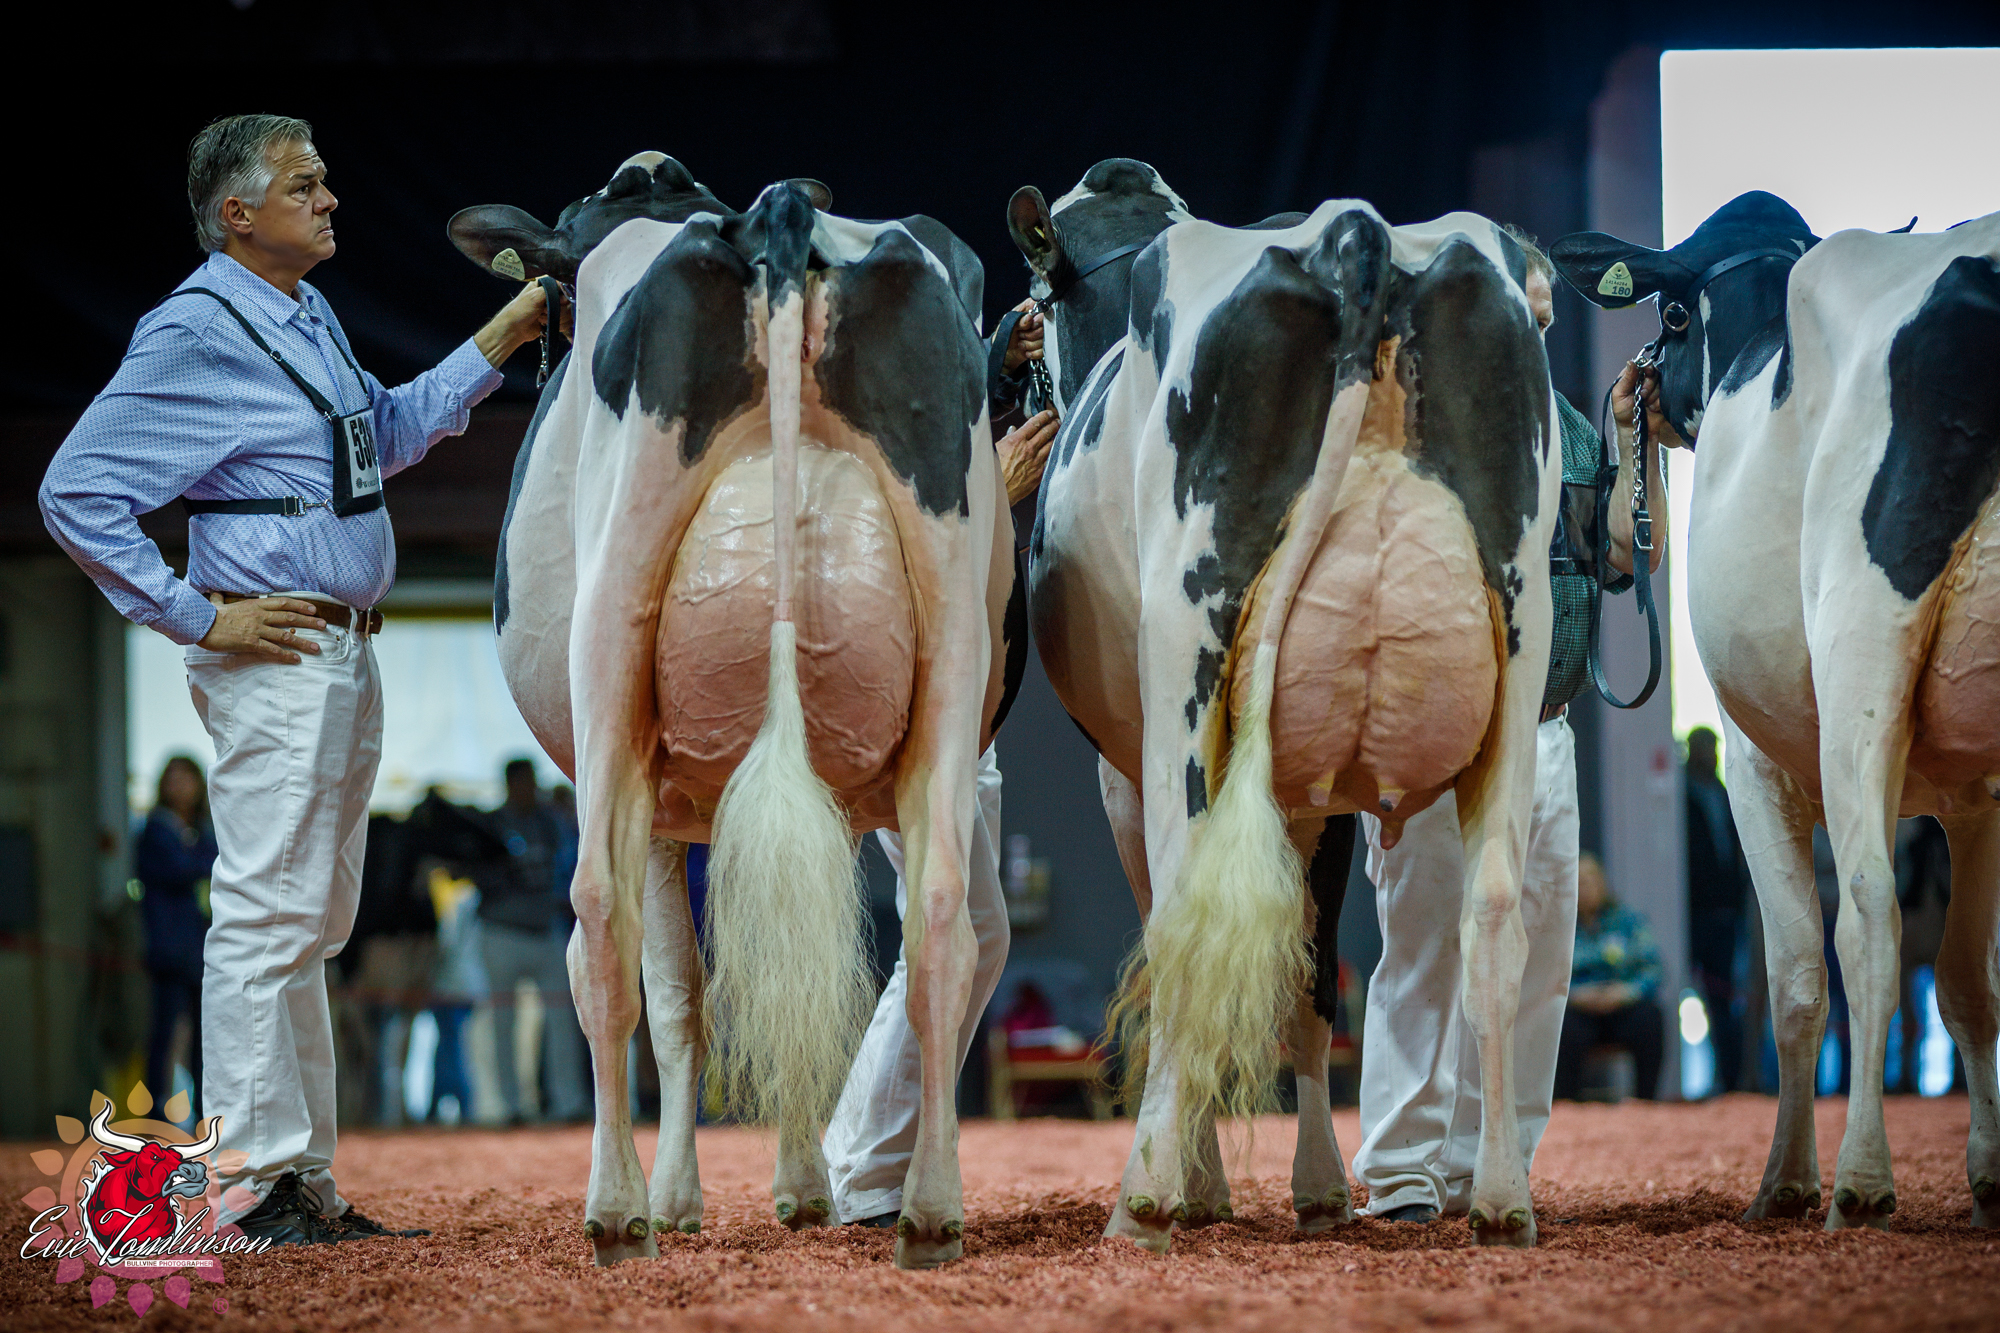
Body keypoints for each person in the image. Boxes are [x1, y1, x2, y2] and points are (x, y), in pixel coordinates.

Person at [39, 114, 551, 1245]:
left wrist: (508, 330)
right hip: (275, 651)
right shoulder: (193, 328)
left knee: (312, 922)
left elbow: (387, 433)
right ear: (238, 214)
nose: (330, 200)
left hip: (341, 649)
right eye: (305, 185)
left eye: (324, 182)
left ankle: (300, 1178)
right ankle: (248, 1185)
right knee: (267, 916)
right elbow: (74, 492)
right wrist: (197, 614)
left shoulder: (303, 311)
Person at [1353, 229, 1681, 1223]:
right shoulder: (1407, 426)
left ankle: (1488, 1156)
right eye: (1514, 313)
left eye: (1541, 318)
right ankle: (1401, 1169)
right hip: (1427, 731)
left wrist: (1633, 444)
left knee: (1537, 955)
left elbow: (1627, 557)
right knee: (1422, 941)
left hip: (1544, 724)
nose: (1528, 334)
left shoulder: (1569, 429)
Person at [822, 307, 1057, 1227]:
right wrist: (992, 490)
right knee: (958, 929)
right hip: (908, 704)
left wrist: (999, 356)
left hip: (962, 713)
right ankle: (867, 1165)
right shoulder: (861, 434)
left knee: (967, 933)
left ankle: (861, 1153)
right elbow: (894, 550)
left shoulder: (918, 418)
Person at [477, 758, 588, 1124]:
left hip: (546, 930)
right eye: (523, 782)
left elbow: (572, 863)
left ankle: (567, 1102)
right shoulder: (490, 824)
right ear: (510, 784)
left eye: (532, 781)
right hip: (501, 931)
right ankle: (508, 1105)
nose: (529, 789)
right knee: (502, 1022)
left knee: (564, 1021)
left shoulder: (551, 822)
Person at [135, 756, 219, 1121]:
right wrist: (204, 861)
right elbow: (187, 867)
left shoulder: (201, 830)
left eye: (187, 778)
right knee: (164, 1034)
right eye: (173, 778)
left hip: (202, 951)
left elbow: (209, 861)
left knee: (205, 1038)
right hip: (169, 951)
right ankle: (155, 1117)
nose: (180, 786)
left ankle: (205, 1113)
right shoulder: (155, 831)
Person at [1554, 854, 1665, 1101]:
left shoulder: (1628, 921)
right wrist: (1575, 996)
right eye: (1578, 881)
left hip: (1622, 1006)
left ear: (1602, 883)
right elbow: (1546, 979)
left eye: (1589, 880)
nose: (1584, 888)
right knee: (1559, 1025)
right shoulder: (1558, 928)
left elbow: (1653, 969)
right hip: (1579, 1009)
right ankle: (1567, 1106)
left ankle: (1646, 1102)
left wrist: (1626, 993)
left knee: (1650, 1017)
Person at [1683, 726, 1748, 1092]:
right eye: (1706, 748)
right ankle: (1708, 1078)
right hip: (1694, 912)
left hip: (1726, 910)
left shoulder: (1725, 792)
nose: (1712, 755)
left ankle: (1729, 1079)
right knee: (1701, 995)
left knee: (1724, 998)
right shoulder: (1682, 795)